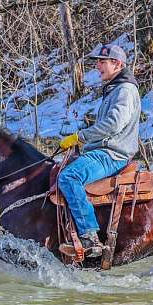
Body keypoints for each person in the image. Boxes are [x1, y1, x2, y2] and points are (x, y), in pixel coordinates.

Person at [58, 44, 141, 258]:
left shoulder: (125, 90)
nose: (98, 66)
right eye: (98, 62)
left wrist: (81, 136)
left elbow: (114, 124)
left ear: (118, 64)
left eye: (102, 62)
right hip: (106, 150)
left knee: (69, 176)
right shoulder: (115, 88)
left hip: (112, 154)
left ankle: (89, 237)